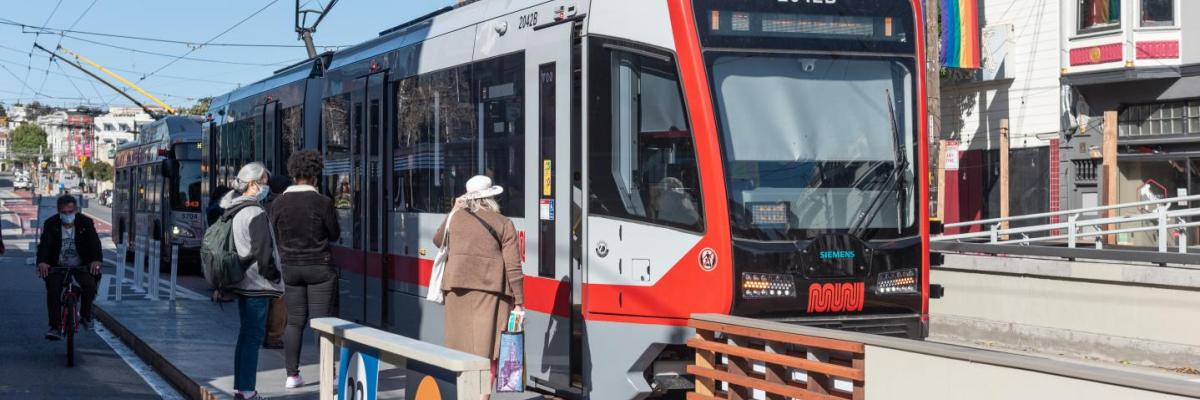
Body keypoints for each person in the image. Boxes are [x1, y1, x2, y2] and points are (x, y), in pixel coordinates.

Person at [433, 175, 525, 383]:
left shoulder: (455, 219)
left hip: (456, 292)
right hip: (491, 294)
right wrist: (519, 301)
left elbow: (438, 240)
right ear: (491, 197)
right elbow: (513, 267)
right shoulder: (504, 223)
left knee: (460, 351)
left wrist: (453, 210)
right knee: (489, 354)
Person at [270, 150, 340, 389]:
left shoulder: (278, 202)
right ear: (315, 176)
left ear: (293, 174)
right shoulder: (323, 202)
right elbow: (334, 234)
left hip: (290, 268)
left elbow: (275, 234)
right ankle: (328, 375)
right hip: (319, 268)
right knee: (321, 321)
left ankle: (292, 375)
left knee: (295, 322)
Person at [221, 162, 283, 400]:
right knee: (253, 338)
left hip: (244, 282)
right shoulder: (255, 212)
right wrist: (276, 277)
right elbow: (263, 253)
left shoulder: (234, 209)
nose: (267, 187)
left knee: (245, 336)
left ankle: (242, 387)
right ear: (253, 184)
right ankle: (247, 390)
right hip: (258, 284)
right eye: (265, 182)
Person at [37, 195, 102, 340]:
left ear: (76, 210)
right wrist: (42, 261)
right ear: (58, 211)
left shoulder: (85, 222)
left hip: (81, 266)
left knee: (90, 285)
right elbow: (44, 246)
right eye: (64, 212)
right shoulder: (51, 223)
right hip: (57, 266)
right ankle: (54, 327)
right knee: (53, 290)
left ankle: (85, 316)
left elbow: (95, 243)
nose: (68, 215)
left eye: (70, 211)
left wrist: (96, 260)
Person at [263, 175, 293, 350]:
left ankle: (268, 333)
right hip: (279, 257)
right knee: (280, 299)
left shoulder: (265, 205)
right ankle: (273, 335)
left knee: (270, 298)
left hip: (266, 257)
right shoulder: (281, 206)